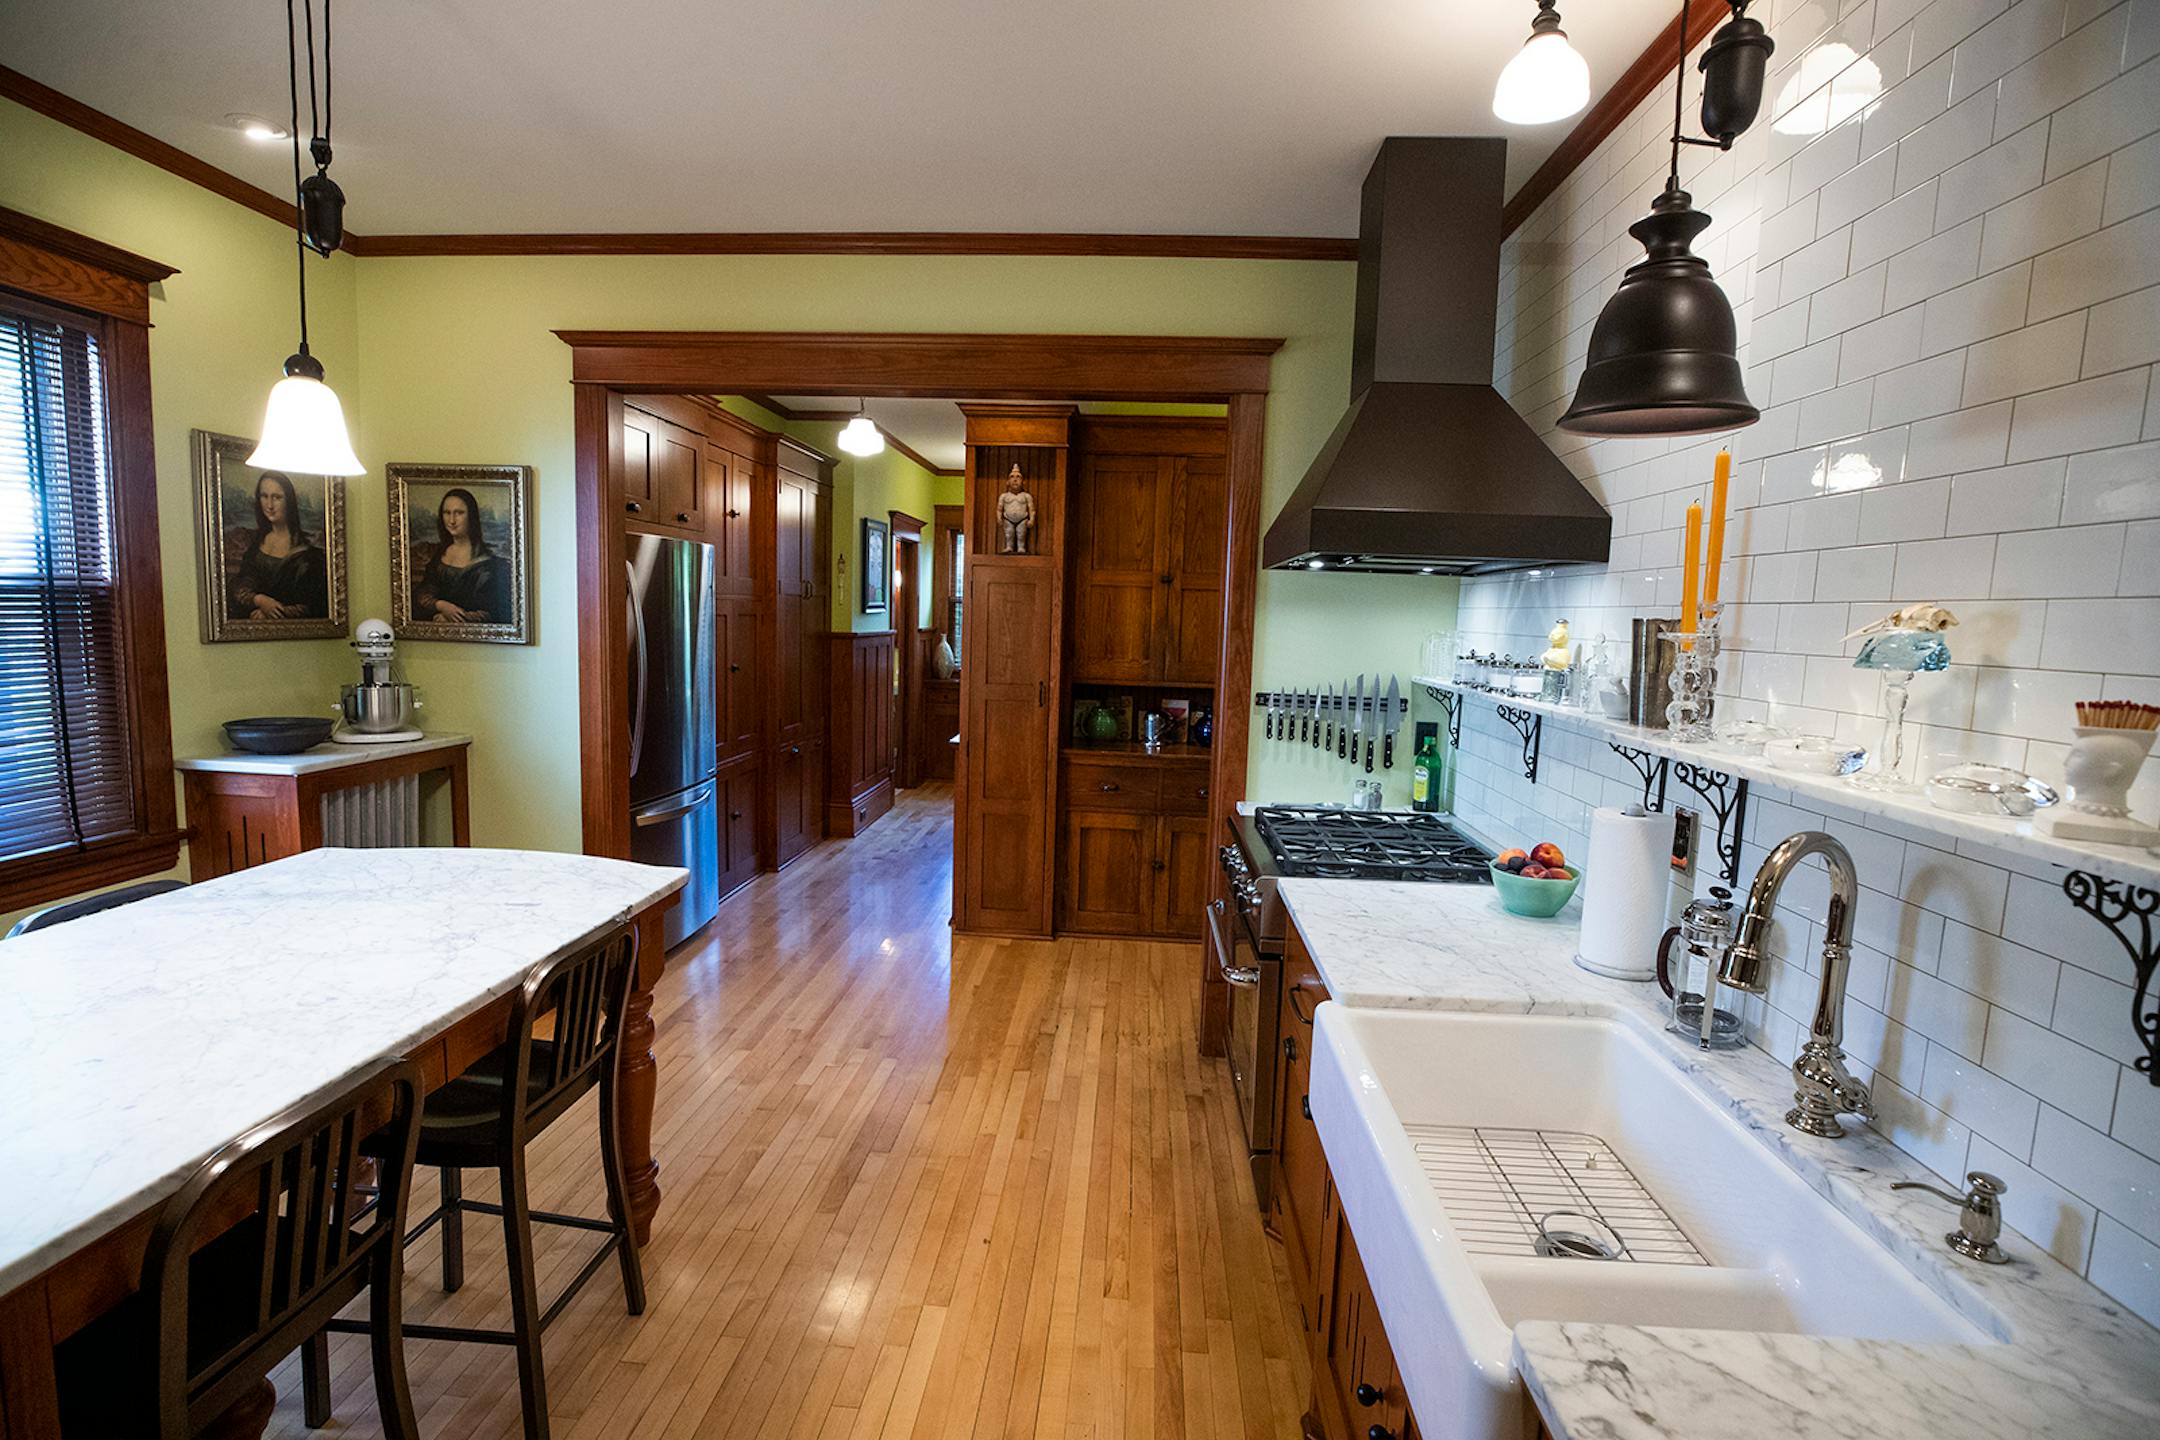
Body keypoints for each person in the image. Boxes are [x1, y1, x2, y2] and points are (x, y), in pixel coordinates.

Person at [228, 470, 329, 620]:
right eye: (264, 496)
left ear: (289, 501)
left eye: (277, 497)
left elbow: (316, 604)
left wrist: (273, 612)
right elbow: (239, 586)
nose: (269, 505)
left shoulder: (307, 551)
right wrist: (260, 600)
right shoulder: (253, 542)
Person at [411, 486, 511, 623]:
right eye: (447, 512)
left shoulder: (488, 564)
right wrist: (441, 605)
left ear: (471, 516)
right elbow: (421, 595)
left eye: (459, 513)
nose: (451, 520)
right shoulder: (438, 555)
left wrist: (452, 618)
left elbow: (495, 612)